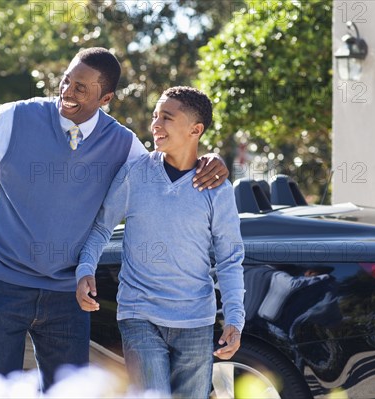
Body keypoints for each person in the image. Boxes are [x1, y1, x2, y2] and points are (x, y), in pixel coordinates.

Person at [0, 47, 229, 390]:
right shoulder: (17, 118)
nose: (67, 92)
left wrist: (209, 159)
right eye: (66, 81)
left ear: (105, 97)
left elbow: (163, 172)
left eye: (81, 88)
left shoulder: (121, 143)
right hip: (1, 285)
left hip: (68, 295)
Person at [76, 86, 245, 397]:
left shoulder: (217, 189)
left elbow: (230, 257)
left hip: (196, 318)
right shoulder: (135, 174)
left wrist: (235, 317)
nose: (155, 124)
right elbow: (101, 227)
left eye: (167, 117)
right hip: (139, 313)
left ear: (195, 130)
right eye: (155, 116)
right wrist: (84, 269)